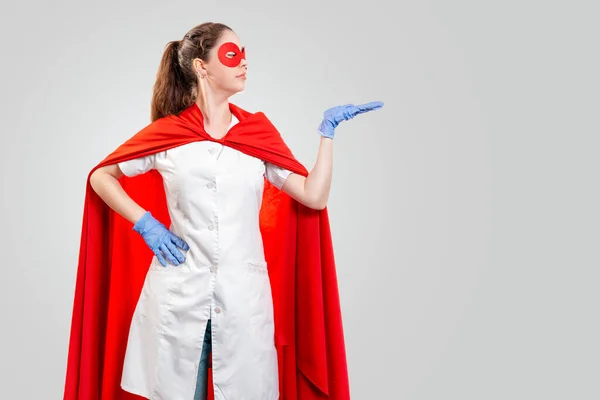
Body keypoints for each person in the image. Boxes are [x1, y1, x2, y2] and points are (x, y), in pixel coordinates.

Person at [63, 21, 383, 400]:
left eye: (245, 54)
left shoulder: (256, 135)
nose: (244, 62)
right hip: (178, 294)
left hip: (243, 298)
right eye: (232, 54)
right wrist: (145, 222)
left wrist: (326, 134)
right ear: (201, 67)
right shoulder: (169, 135)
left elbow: (313, 196)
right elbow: (102, 176)